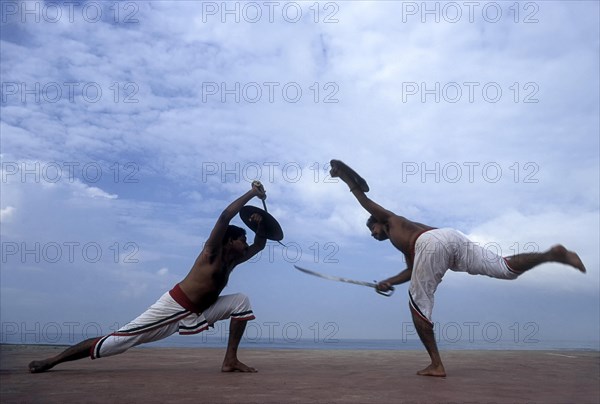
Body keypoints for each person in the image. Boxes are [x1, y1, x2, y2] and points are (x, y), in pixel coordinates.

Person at [329, 159, 586, 377]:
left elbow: (364, 199)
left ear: (378, 222)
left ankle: (436, 365)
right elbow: (411, 271)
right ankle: (551, 255)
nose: (373, 235)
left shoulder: (391, 220)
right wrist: (388, 281)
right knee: (503, 268)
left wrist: (344, 177)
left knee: (418, 303)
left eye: (371, 230)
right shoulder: (406, 238)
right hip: (450, 238)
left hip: (431, 244)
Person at [29, 181, 269, 374]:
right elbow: (225, 217)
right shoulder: (211, 252)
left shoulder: (233, 260)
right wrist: (251, 193)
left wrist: (261, 224)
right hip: (175, 307)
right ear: (229, 240)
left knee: (241, 301)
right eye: (242, 239)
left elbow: (259, 245)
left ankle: (230, 360)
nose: (245, 243)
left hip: (199, 310)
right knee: (119, 341)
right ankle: (53, 360)